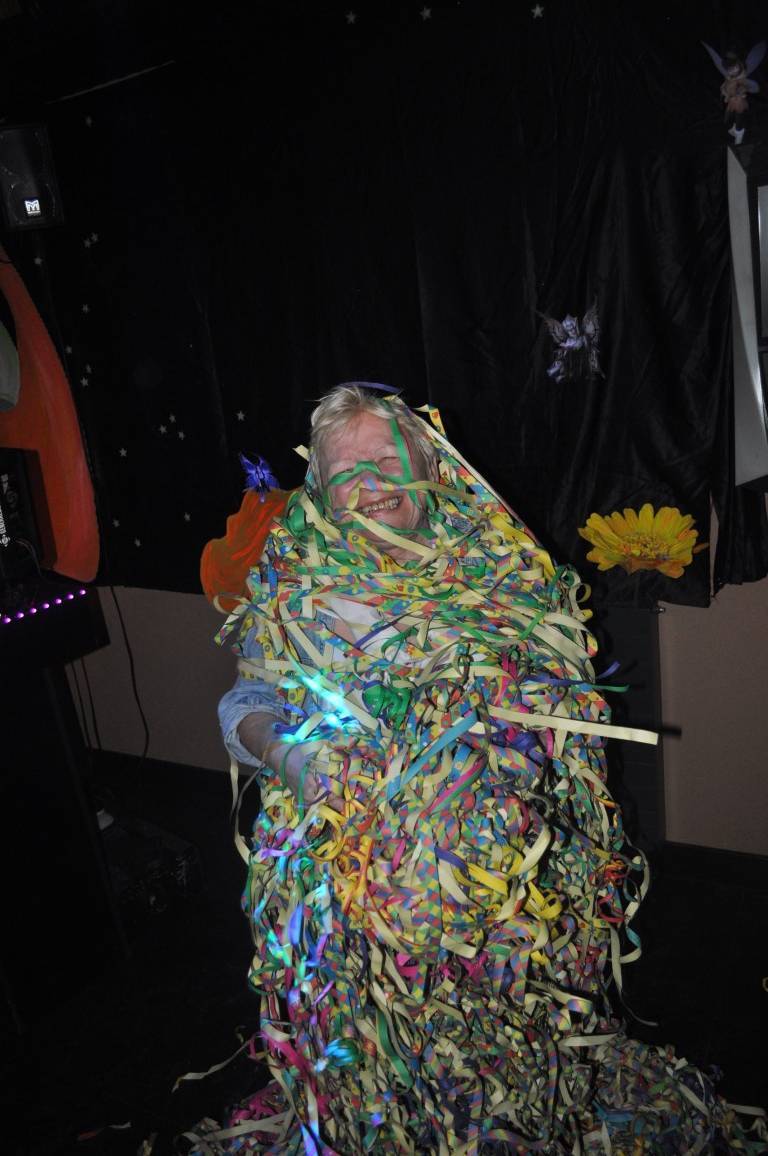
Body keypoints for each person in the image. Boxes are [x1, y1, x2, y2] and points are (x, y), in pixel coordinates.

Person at [199, 384, 764, 1154]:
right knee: (384, 1080)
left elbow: (567, 725)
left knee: (498, 1072)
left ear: (431, 467)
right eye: (344, 471)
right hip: (350, 889)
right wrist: (287, 755)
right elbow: (246, 704)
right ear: (320, 494)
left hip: (500, 893)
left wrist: (498, 771)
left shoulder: (505, 577)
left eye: (386, 460)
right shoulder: (293, 593)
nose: (370, 484)